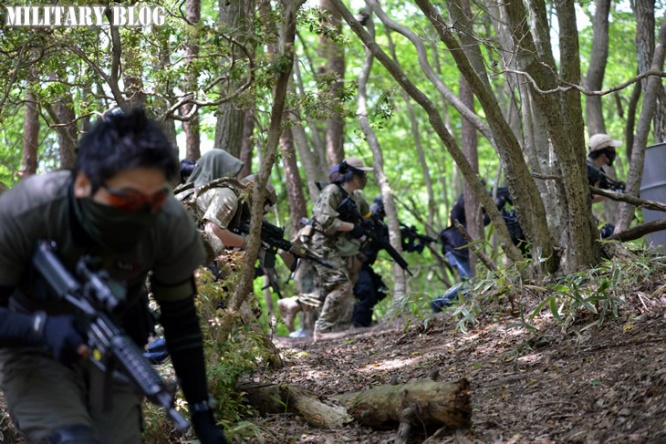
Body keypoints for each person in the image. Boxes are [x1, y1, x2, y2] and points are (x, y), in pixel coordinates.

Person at [0, 109, 227, 443]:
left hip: (112, 345)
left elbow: (181, 320)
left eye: (153, 201)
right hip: (31, 346)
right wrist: (39, 328)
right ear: (83, 184)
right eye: (126, 199)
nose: (142, 214)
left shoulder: (169, 223)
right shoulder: (27, 211)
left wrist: (202, 414)